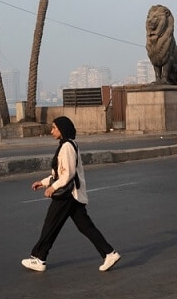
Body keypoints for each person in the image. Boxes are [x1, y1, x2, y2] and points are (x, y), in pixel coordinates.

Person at [22, 116, 121, 273]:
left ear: (62, 129)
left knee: (50, 225)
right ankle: (109, 253)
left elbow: (67, 174)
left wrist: (53, 188)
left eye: (54, 128)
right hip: (72, 195)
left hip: (67, 194)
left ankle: (39, 258)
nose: (51, 130)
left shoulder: (67, 146)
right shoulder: (66, 145)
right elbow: (59, 173)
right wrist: (44, 182)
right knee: (86, 227)